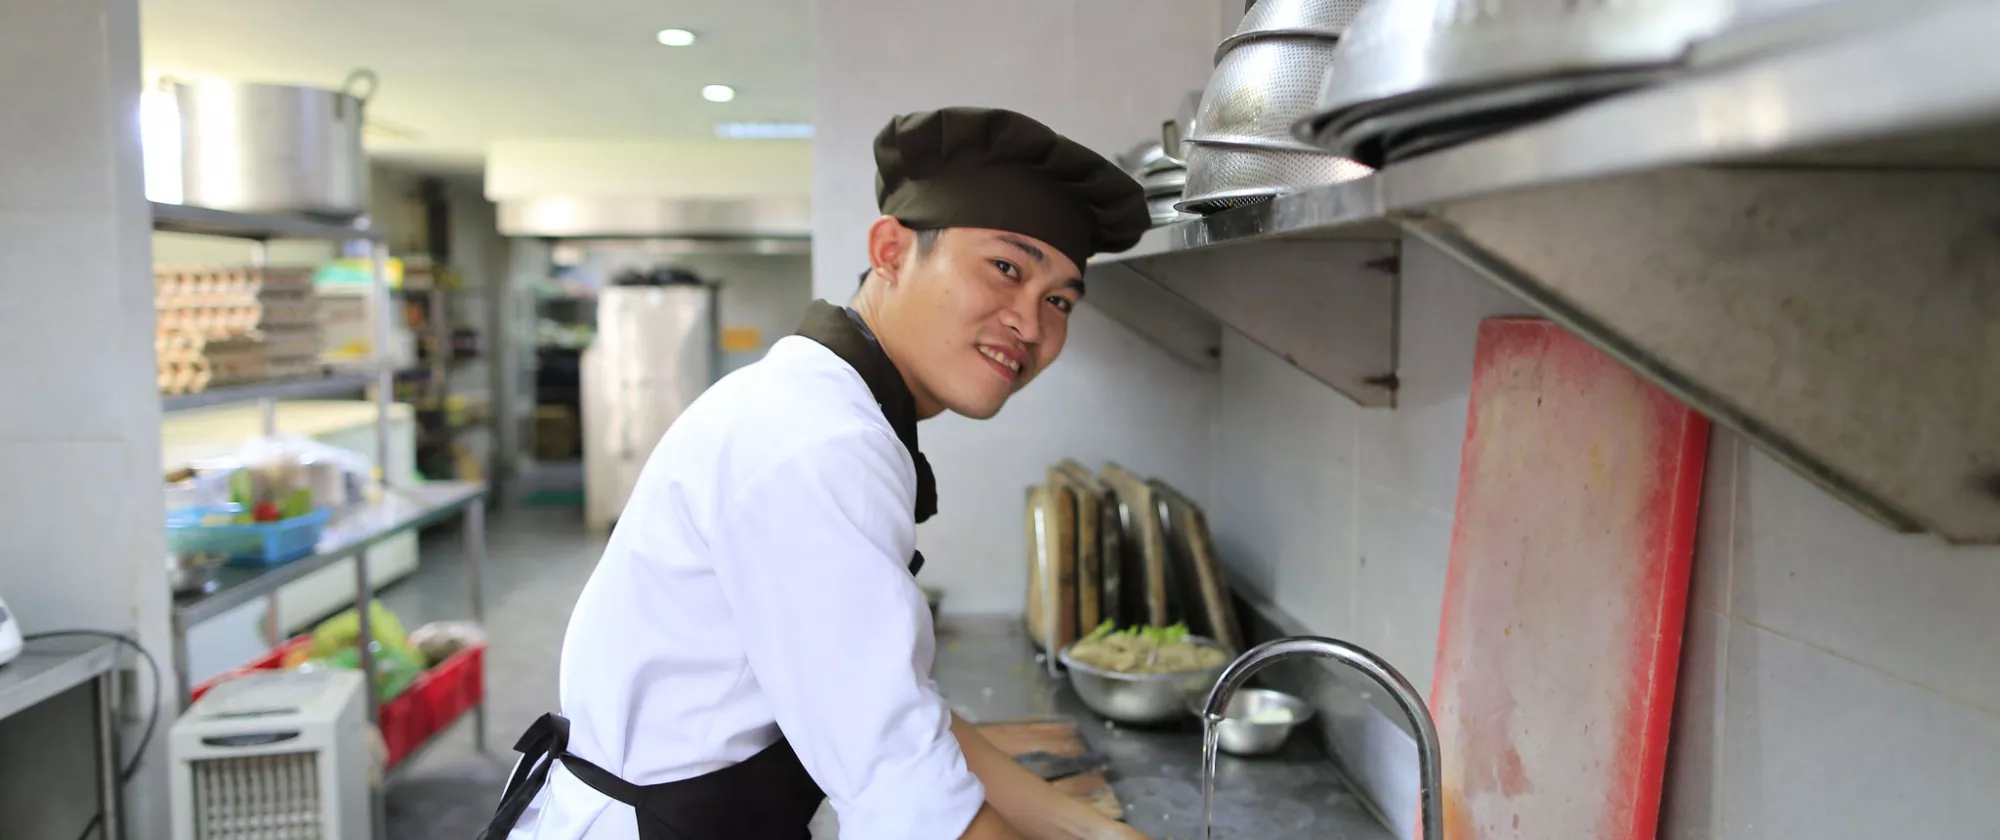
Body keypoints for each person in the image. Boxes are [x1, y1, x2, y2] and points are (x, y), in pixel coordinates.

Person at [477, 106, 1152, 840]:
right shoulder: (820, 441)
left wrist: (1096, 834)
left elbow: (889, 708)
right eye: (1005, 268)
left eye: (1058, 299)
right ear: (892, 251)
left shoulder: (829, 402)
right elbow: (907, 800)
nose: (1031, 321)